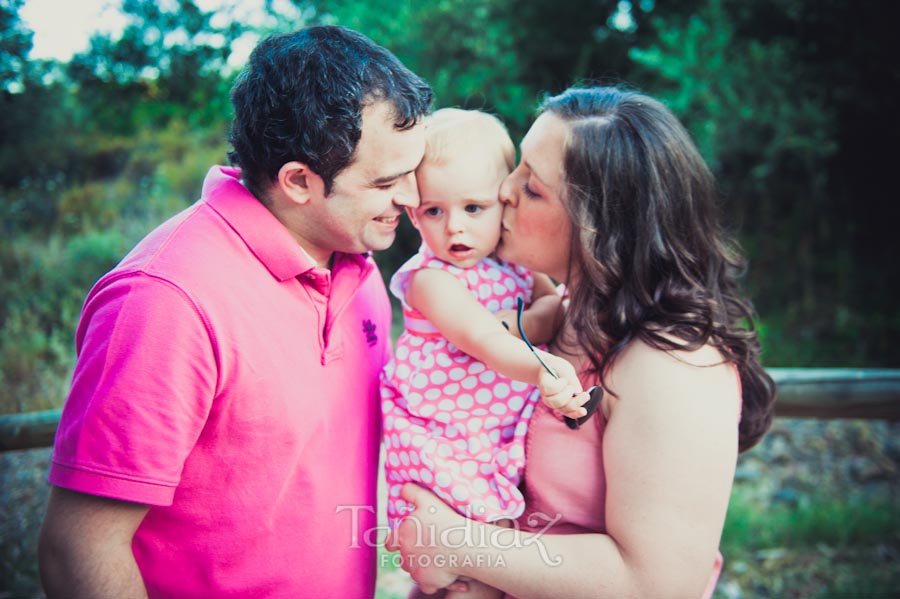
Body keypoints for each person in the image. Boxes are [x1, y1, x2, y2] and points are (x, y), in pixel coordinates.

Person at [38, 26, 432, 598]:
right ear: (298, 181)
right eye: (388, 181)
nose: (413, 198)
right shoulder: (165, 301)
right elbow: (78, 549)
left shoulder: (359, 262)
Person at [386, 86, 777, 599]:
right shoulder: (569, 313)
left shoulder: (673, 363)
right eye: (517, 167)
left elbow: (660, 585)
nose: (504, 189)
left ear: (599, 224)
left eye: (533, 187)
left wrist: (459, 547)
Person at [381, 108, 587, 531]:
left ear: (503, 202)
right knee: (469, 558)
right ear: (413, 213)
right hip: (446, 439)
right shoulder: (429, 279)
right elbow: (484, 339)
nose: (455, 227)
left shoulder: (517, 265)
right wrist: (540, 363)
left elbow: (559, 308)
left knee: (500, 554)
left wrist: (534, 321)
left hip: (497, 432)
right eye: (434, 211)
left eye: (474, 207)